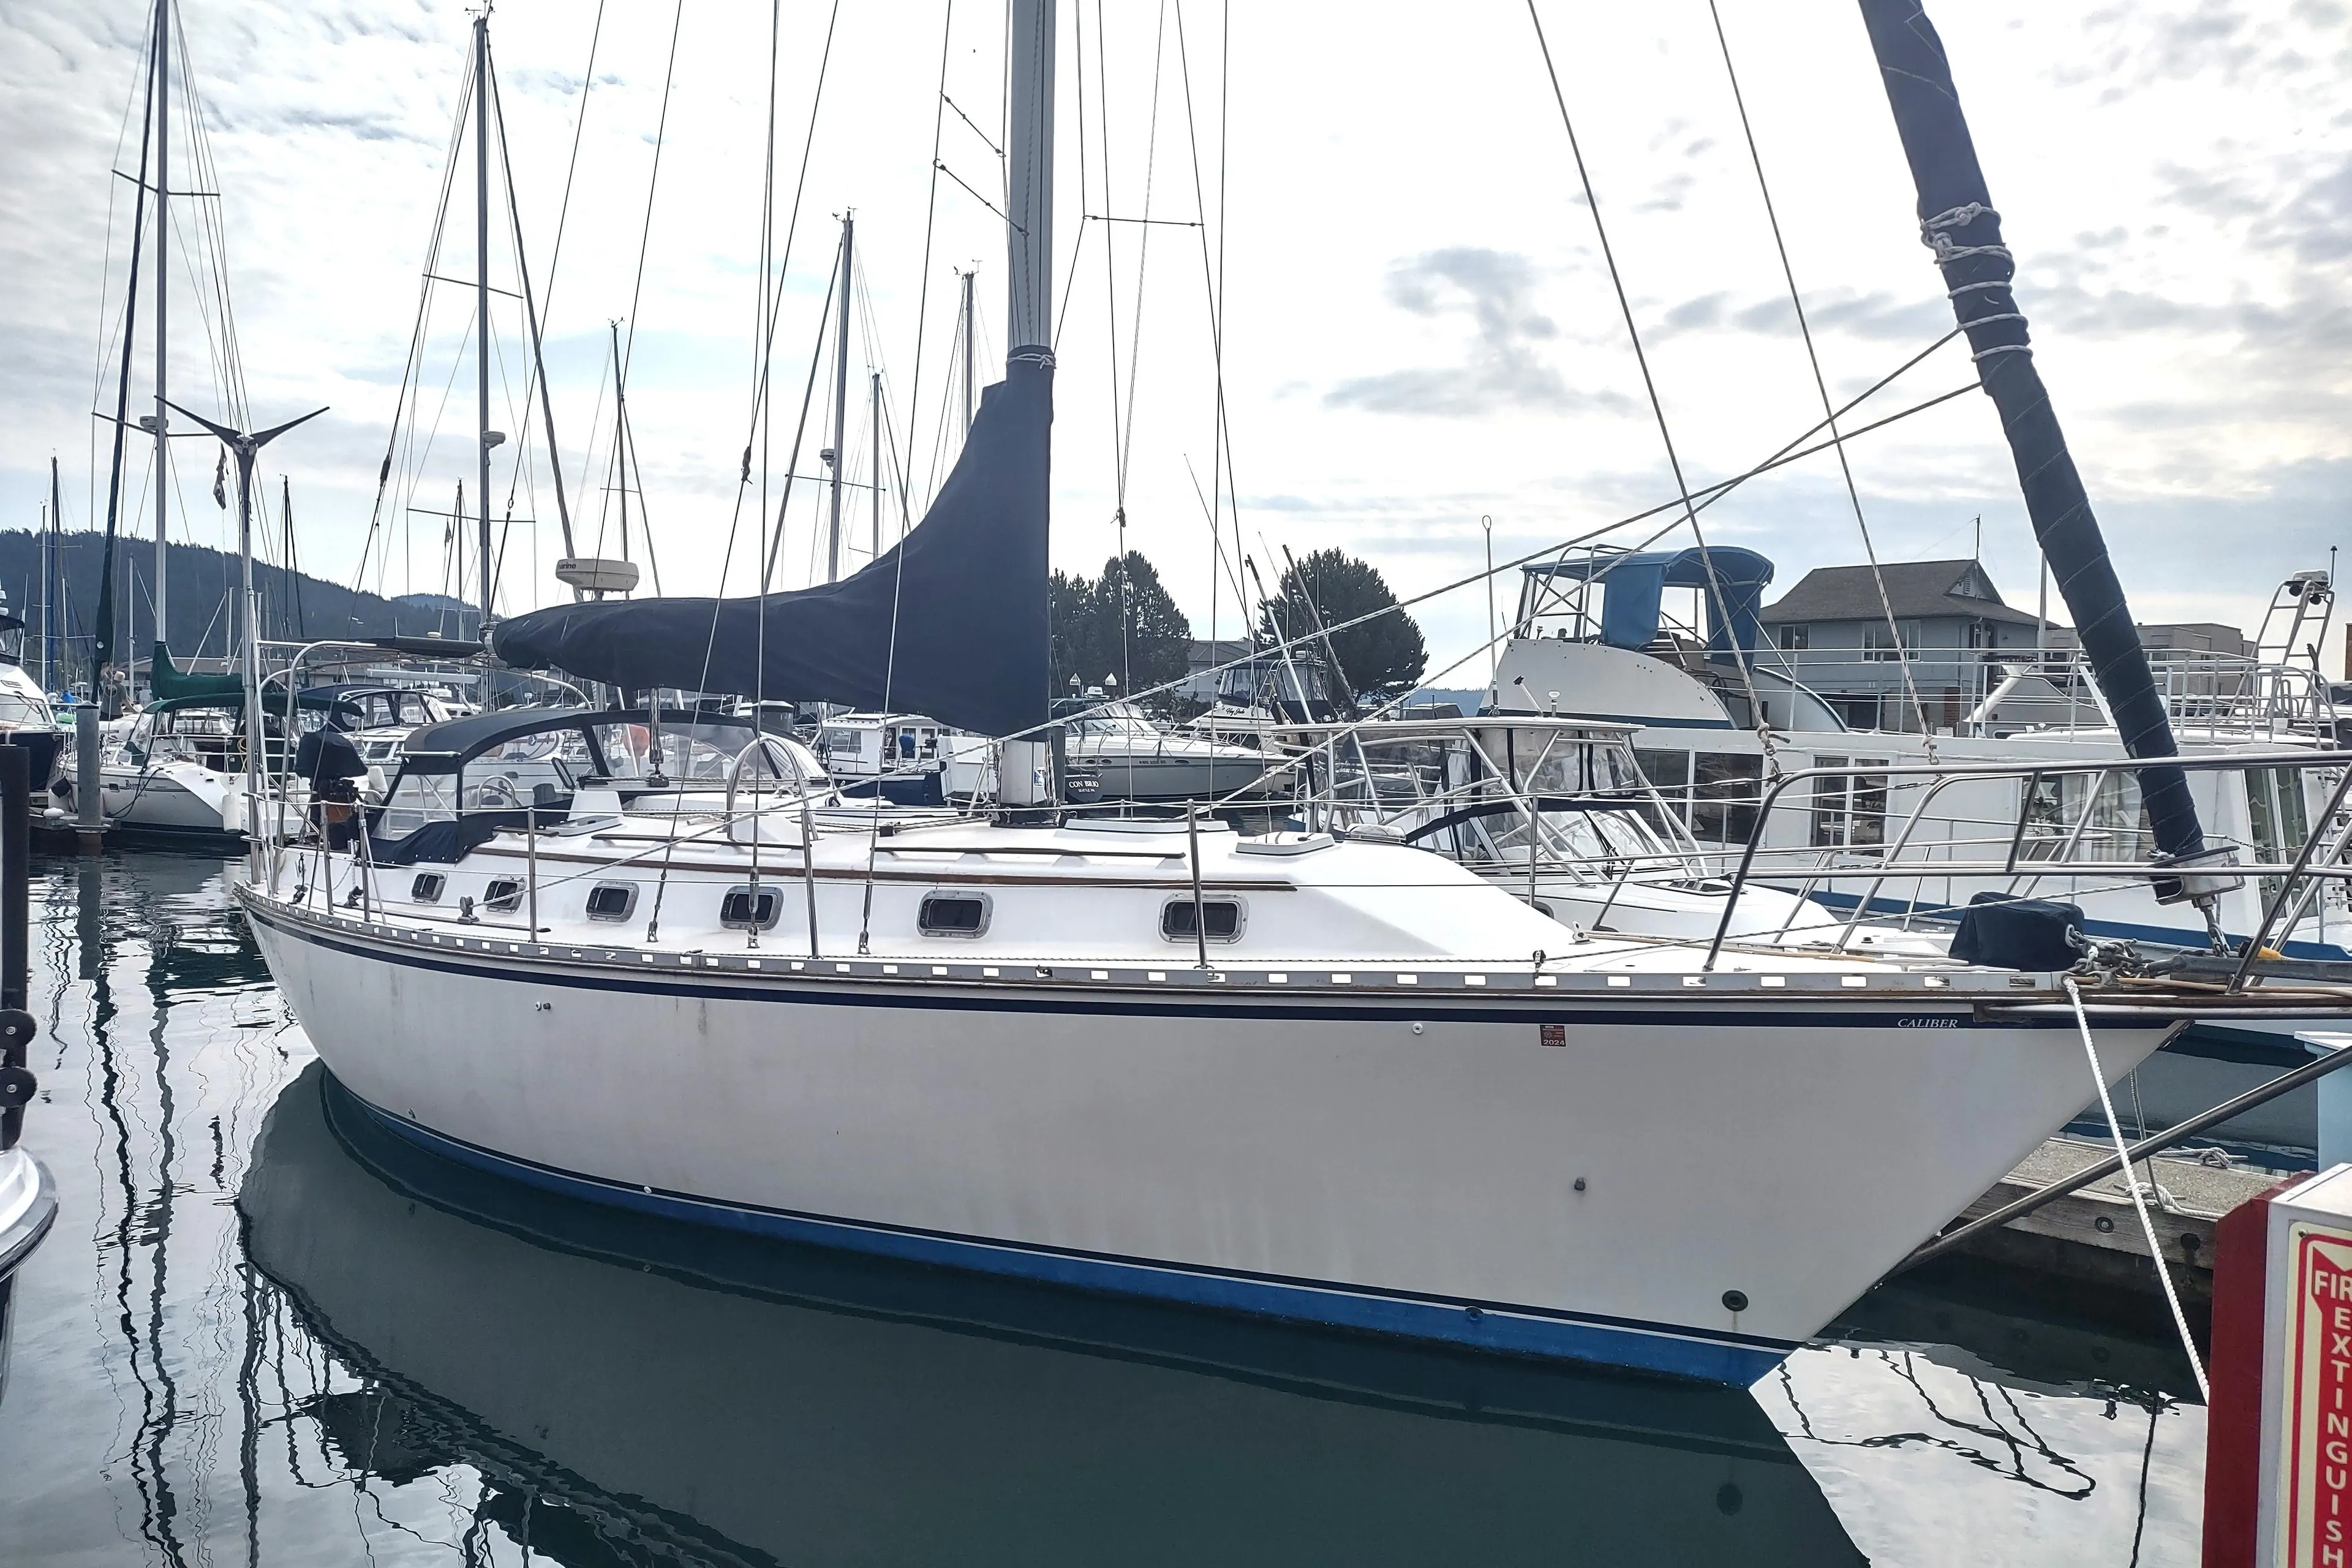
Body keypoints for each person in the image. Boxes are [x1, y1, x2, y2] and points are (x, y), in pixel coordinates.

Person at [295, 723, 368, 851]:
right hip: (330, 787)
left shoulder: (315, 742)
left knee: (320, 802)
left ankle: (319, 834)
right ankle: (329, 833)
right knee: (327, 804)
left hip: (322, 786)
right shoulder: (336, 743)